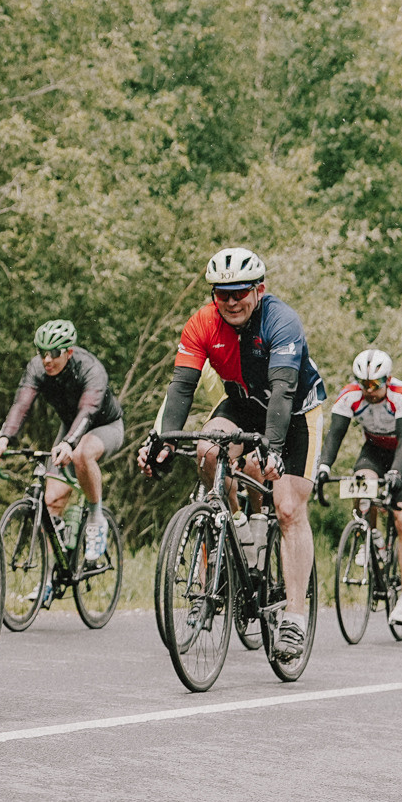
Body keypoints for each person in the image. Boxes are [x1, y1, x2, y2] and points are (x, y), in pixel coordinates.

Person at [137, 247, 328, 660]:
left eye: (240, 291)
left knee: (289, 506)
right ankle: (236, 523)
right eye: (222, 293)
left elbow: (283, 392)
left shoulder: (281, 321)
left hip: (293, 411)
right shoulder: (202, 324)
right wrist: (163, 441)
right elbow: (182, 387)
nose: (231, 301)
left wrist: (274, 450)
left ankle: (294, 618)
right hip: (242, 403)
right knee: (206, 450)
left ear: (258, 290)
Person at [0, 319, 127, 563]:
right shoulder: (38, 369)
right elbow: (21, 405)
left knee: (83, 452)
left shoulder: (90, 369)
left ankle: (95, 519)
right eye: (42, 352)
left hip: (104, 425)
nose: (47, 359)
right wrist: (4, 438)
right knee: (50, 503)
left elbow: (88, 411)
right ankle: (49, 578)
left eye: (54, 353)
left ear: (69, 352)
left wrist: (69, 443)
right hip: (70, 429)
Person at [315, 348, 402, 631]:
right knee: (361, 487)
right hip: (374, 448)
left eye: (375, 384)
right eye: (363, 383)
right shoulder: (349, 395)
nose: (368, 390)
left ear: (387, 380)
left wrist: (397, 473)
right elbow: (335, 435)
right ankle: (371, 537)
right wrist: (324, 467)